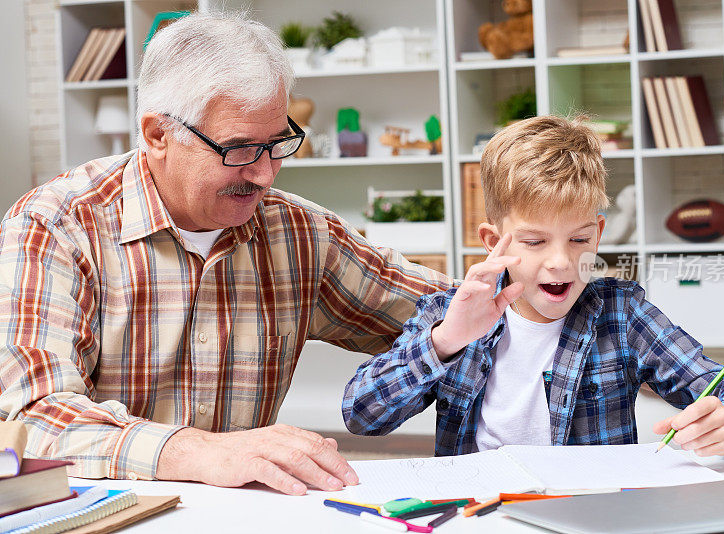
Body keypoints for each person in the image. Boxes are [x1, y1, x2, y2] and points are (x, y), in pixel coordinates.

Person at [0, 12, 451, 495]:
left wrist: (527, 272)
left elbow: (448, 309)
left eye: (276, 144)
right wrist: (198, 451)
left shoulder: (298, 232)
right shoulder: (56, 227)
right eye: (237, 149)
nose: (265, 175)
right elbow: (31, 420)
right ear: (157, 135)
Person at [342, 116, 724, 456]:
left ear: (597, 235)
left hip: (588, 515)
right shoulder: (448, 316)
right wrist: (445, 341)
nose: (561, 261)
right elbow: (361, 415)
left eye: (579, 239)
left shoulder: (622, 315)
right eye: (534, 241)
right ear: (494, 242)